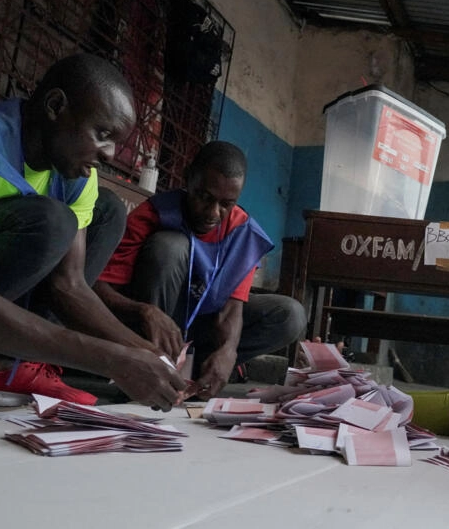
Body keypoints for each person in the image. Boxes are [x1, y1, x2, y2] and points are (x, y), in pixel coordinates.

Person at [0, 53, 187, 419]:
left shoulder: (75, 174)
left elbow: (69, 285)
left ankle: (14, 367)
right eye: (102, 135)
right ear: (55, 106)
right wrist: (112, 360)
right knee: (51, 221)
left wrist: (147, 355)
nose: (108, 155)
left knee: (106, 210)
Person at [94, 140, 306, 399]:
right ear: (188, 179)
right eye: (205, 197)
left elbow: (232, 308)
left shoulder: (242, 233)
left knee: (290, 314)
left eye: (227, 204)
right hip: (147, 327)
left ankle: (203, 371)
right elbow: (99, 286)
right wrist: (144, 311)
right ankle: (153, 366)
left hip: (198, 331)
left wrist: (228, 351)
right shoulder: (154, 214)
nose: (213, 213)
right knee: (169, 246)